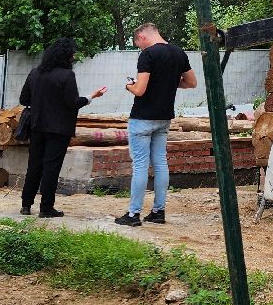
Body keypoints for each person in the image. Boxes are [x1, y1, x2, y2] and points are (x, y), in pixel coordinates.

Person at [115, 22, 196, 227]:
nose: (139, 48)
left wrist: (129, 86)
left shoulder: (148, 55)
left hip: (142, 118)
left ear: (142, 37)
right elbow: (191, 82)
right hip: (164, 118)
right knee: (160, 163)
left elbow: (140, 90)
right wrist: (167, 81)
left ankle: (133, 214)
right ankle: (158, 211)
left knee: (140, 165)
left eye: (138, 44)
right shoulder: (179, 53)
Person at [18, 38, 106, 217]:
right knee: (51, 167)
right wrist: (91, 97)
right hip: (59, 130)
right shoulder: (67, 76)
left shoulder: (35, 73)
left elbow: (24, 100)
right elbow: (73, 103)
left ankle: (26, 205)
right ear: (65, 56)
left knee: (34, 165)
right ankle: (46, 208)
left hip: (36, 126)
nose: (74, 56)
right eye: (72, 53)